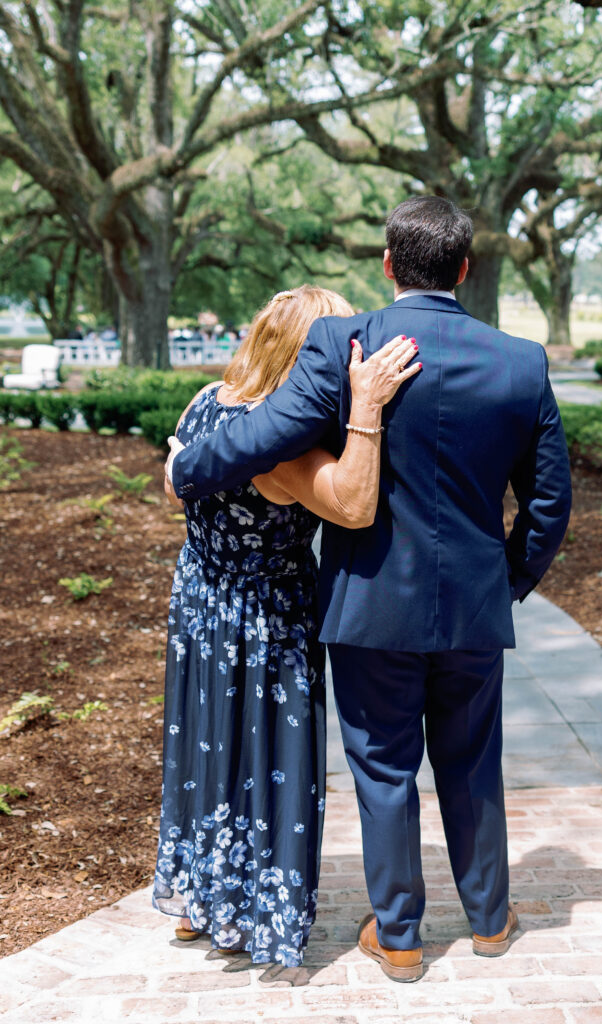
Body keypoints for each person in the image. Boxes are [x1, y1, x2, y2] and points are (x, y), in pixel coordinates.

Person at [167, 196, 572, 982]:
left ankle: (401, 935)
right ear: (464, 268)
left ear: (388, 264)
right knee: (470, 761)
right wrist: (507, 580)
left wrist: (188, 466)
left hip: (367, 604)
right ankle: (490, 920)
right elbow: (548, 503)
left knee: (384, 770)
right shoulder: (522, 361)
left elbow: (266, 436)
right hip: (472, 611)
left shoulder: (343, 342)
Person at [154, 285, 420, 966]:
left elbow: (171, 483)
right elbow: (354, 506)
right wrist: (364, 412)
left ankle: (195, 901)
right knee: (263, 761)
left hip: (199, 598)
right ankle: (248, 912)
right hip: (266, 612)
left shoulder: (206, 402)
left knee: (204, 751)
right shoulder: (285, 450)